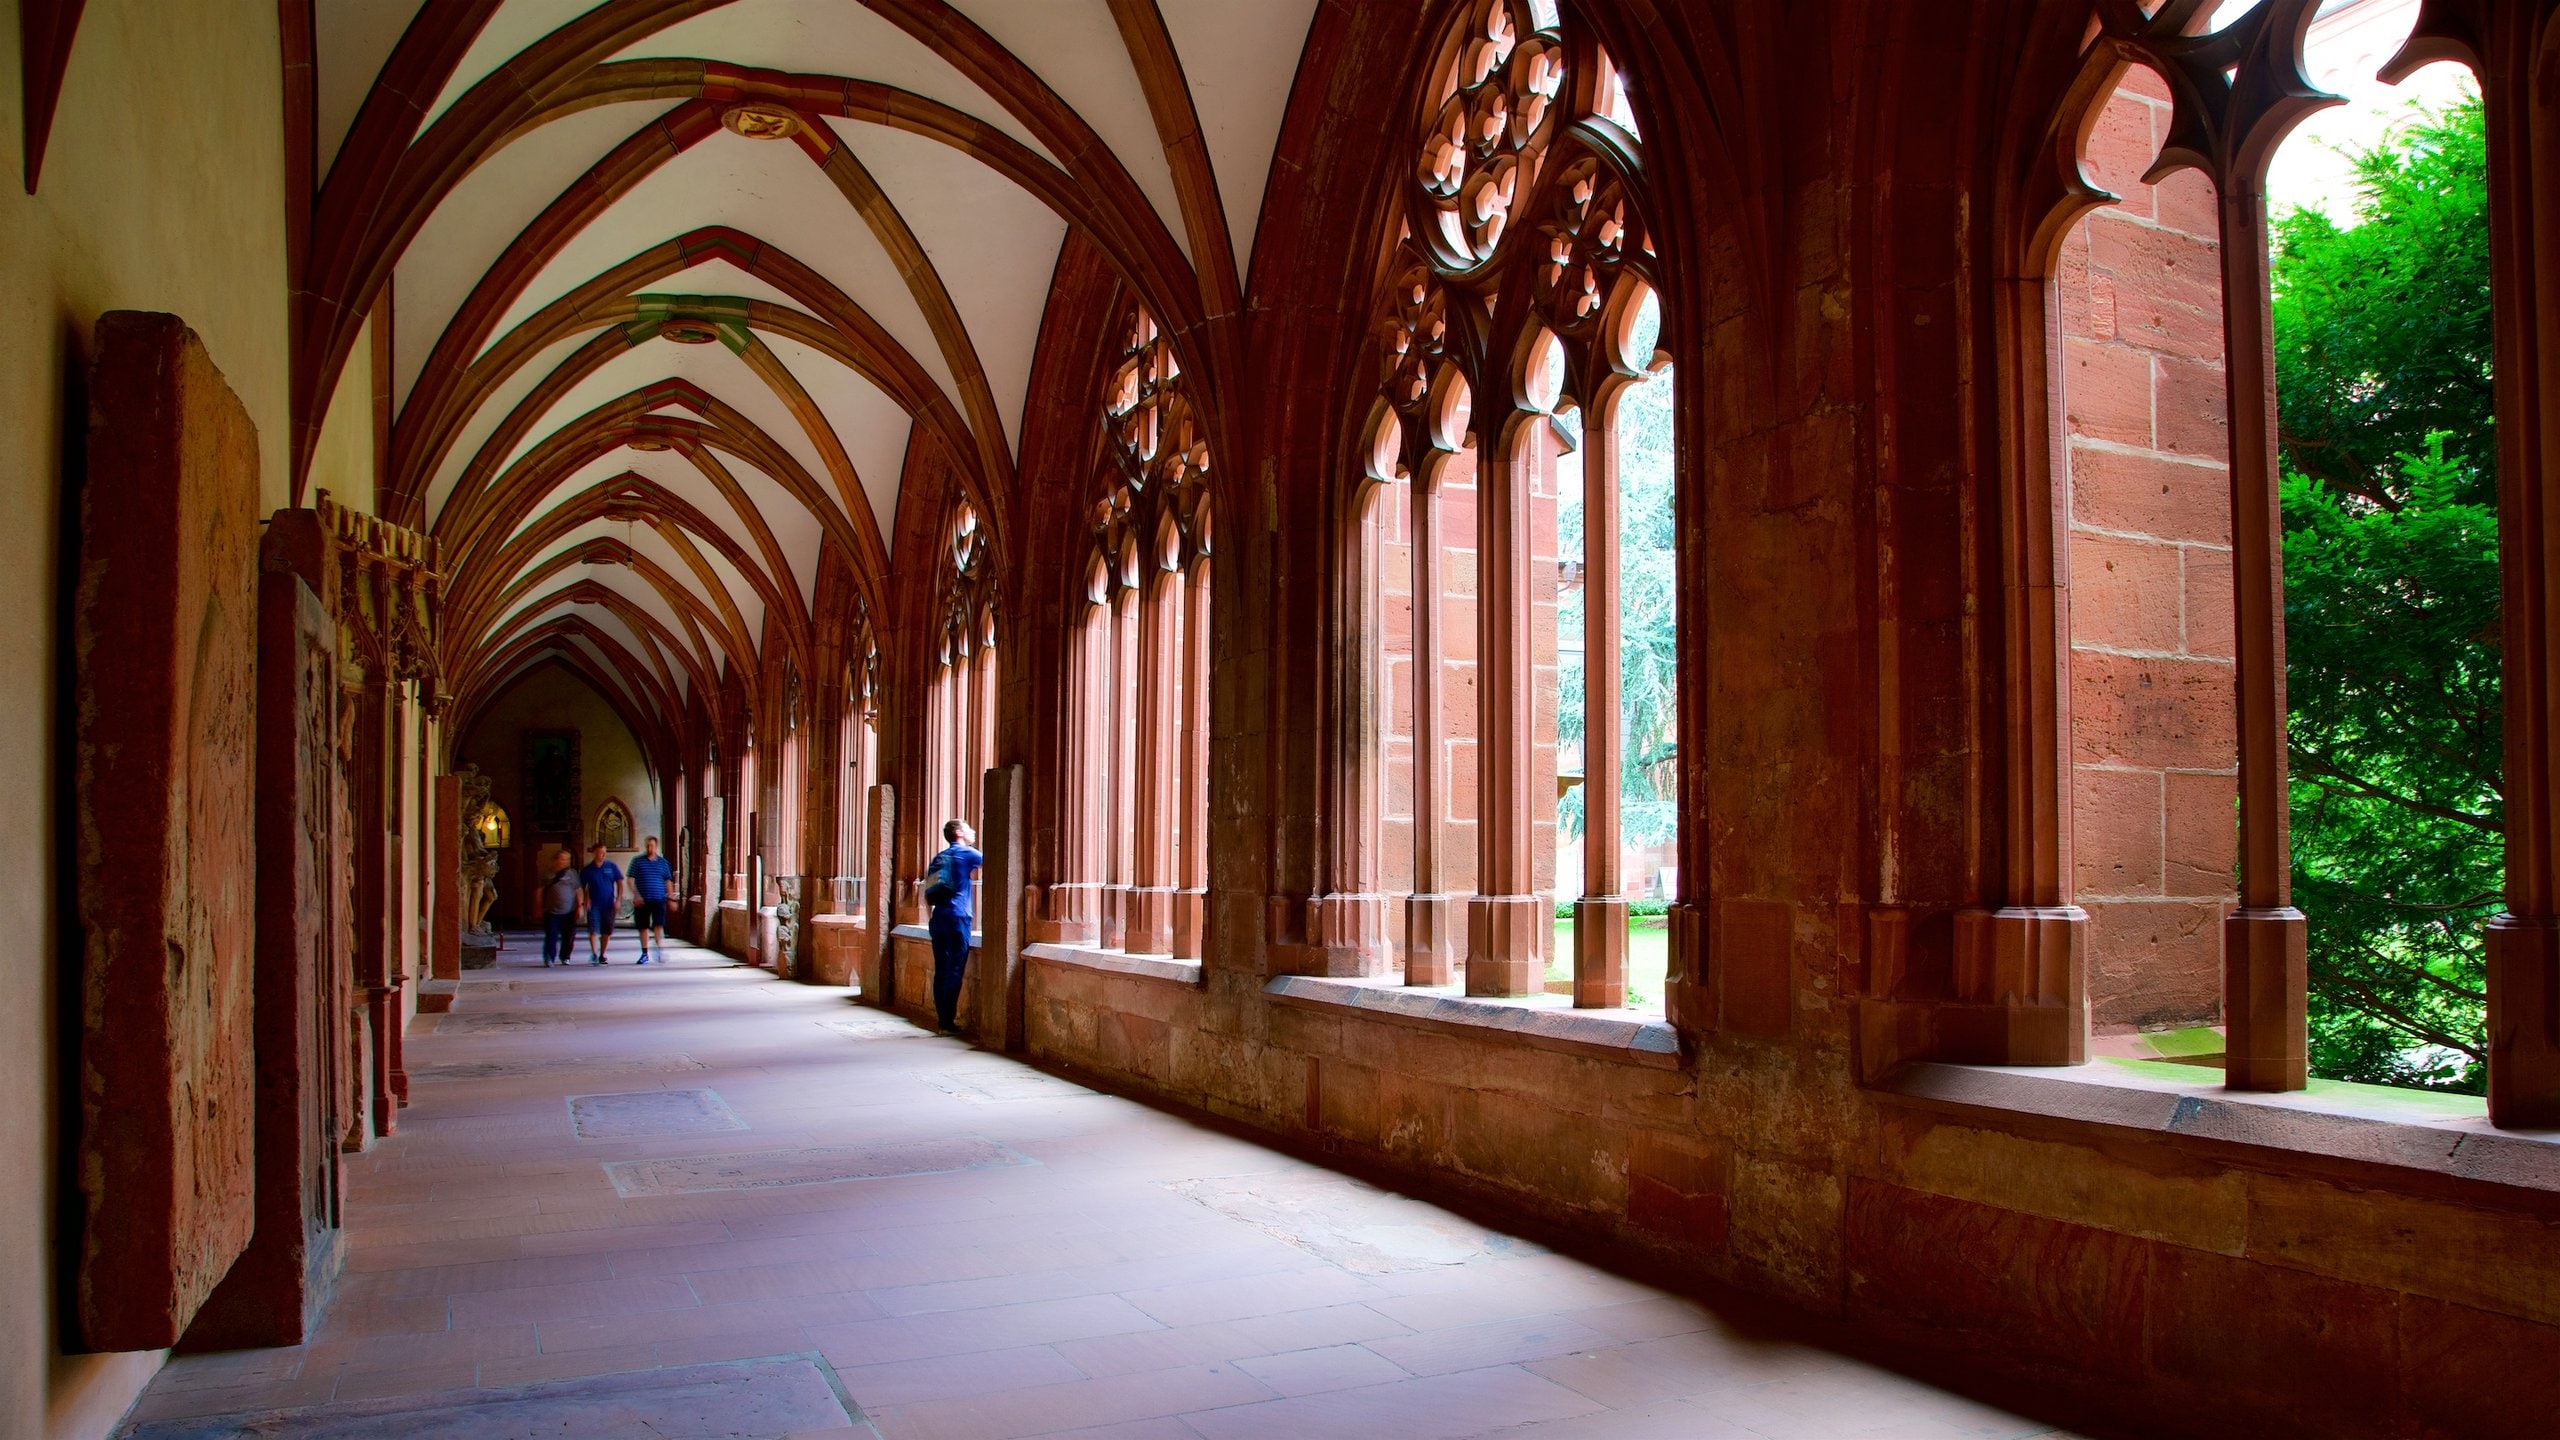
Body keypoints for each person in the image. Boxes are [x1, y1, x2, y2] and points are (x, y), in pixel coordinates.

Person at [923, 818, 985, 1033]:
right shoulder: (967, 853)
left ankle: (942, 1021)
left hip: (939, 917)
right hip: (959, 917)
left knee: (941, 969)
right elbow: (993, 860)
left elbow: (929, 890)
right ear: (959, 832)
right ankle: (947, 1023)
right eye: (969, 828)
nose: (973, 830)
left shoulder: (939, 857)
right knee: (955, 969)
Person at [627, 836, 674, 965]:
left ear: (656, 846)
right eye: (647, 846)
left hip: (659, 899)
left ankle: (659, 950)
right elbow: (630, 879)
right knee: (643, 927)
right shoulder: (637, 861)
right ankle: (644, 953)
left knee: (658, 925)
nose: (649, 848)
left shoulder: (663, 863)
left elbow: (668, 881)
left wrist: (670, 898)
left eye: (652, 846)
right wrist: (636, 895)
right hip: (642, 900)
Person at [578, 842, 626, 965]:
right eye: (600, 852)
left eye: (604, 852)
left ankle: (602, 954)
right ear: (594, 853)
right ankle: (594, 953)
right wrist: (585, 900)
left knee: (606, 931)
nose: (603, 855)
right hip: (594, 904)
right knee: (593, 929)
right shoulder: (587, 870)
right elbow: (582, 887)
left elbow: (620, 883)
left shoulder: (611, 866)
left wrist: (618, 900)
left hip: (608, 903)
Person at [539, 849, 581, 967]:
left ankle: (565, 956)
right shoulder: (548, 874)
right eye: (563, 859)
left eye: (567, 859)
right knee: (551, 935)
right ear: (556, 860)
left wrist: (580, 906)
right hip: (552, 911)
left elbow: (578, 890)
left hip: (569, 911)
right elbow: (539, 891)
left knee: (568, 937)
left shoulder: (572, 874)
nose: (565, 862)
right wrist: (538, 907)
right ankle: (549, 957)